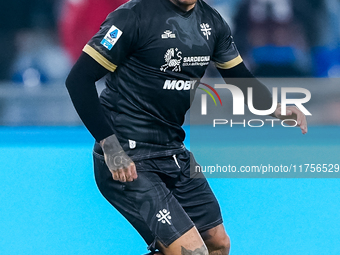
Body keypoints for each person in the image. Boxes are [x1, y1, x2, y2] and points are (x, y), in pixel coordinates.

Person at [65, 0, 308, 254]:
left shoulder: (212, 23)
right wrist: (111, 147)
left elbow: (238, 76)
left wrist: (276, 108)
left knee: (218, 244)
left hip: (172, 151)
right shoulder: (131, 17)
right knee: (192, 252)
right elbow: (78, 79)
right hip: (127, 154)